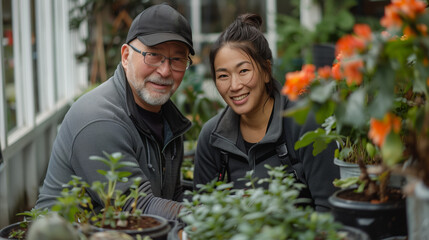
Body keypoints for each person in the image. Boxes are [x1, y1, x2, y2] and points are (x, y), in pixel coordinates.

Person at [36, 3, 194, 220]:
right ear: (126, 56)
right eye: (153, 55)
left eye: (177, 59)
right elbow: (134, 207)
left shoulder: (168, 120)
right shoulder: (97, 118)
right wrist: (209, 214)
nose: (165, 70)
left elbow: (172, 195)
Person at [193, 13, 340, 211]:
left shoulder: (305, 123)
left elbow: (330, 210)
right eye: (223, 75)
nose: (234, 85)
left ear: (266, 71)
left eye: (244, 71)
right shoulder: (212, 138)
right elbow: (203, 216)